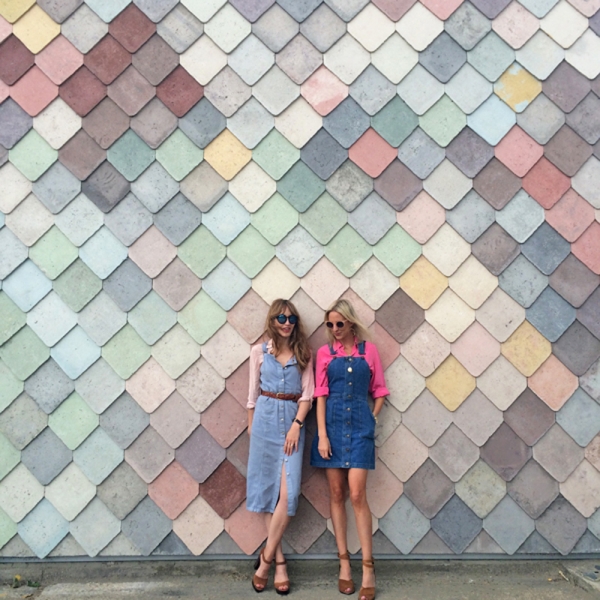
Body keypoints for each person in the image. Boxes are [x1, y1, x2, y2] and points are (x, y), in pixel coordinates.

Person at [310, 299, 389, 600]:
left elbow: (379, 389)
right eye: (329, 324)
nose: (334, 330)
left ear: (351, 323)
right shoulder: (324, 354)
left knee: (357, 494)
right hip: (329, 427)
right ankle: (344, 565)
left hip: (359, 428)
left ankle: (368, 568)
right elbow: (320, 394)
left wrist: (373, 416)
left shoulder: (368, 351)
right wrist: (322, 436)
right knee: (336, 494)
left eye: (339, 324)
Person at [247, 299, 314, 595]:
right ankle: (281, 562)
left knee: (288, 495)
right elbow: (252, 395)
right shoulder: (258, 353)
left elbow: (307, 396)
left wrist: (296, 427)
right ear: (272, 321)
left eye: (291, 319)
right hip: (264, 420)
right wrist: (252, 427)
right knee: (265, 491)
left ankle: (264, 561)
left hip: (291, 423)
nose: (287, 323)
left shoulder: (303, 354)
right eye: (281, 318)